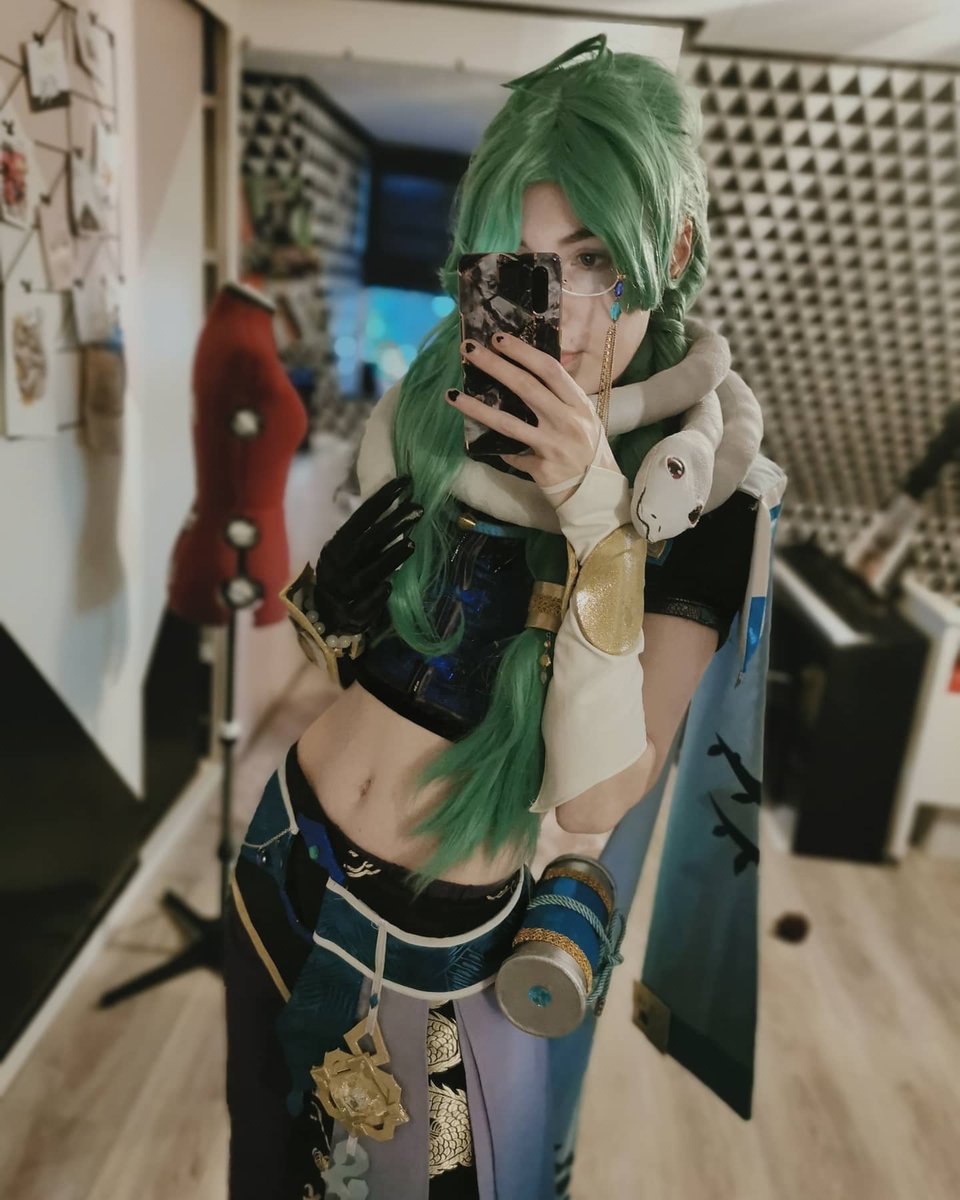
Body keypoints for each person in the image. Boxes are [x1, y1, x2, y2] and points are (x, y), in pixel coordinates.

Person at [224, 34, 785, 1200]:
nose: (561, 312)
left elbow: (597, 800)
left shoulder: (701, 487)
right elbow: (371, 676)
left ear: (672, 248)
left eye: (595, 259)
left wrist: (591, 510)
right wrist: (340, 614)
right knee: (268, 1168)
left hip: (436, 939)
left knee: (443, 1185)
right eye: (526, 266)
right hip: (281, 851)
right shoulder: (450, 403)